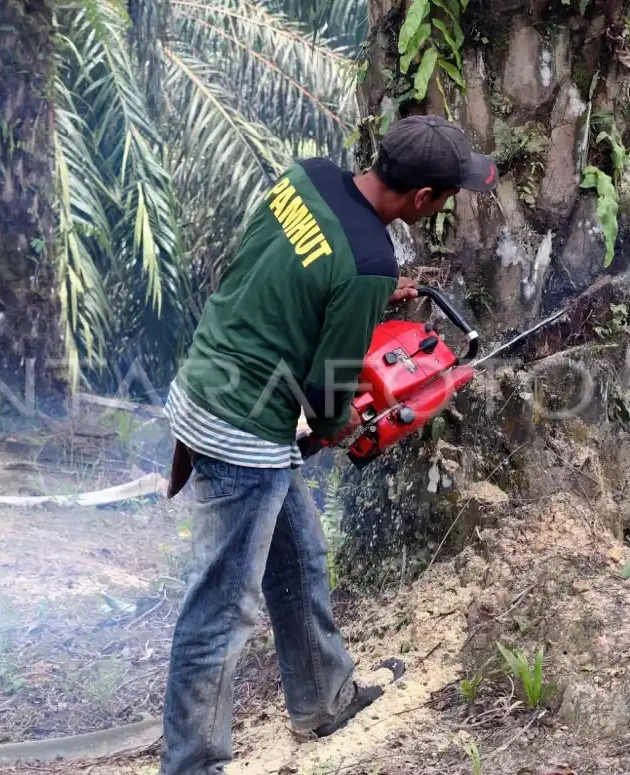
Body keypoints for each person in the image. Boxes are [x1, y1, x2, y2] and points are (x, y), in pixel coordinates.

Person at [160, 116, 498, 775]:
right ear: (425, 197)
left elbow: (292, 269)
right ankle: (193, 764)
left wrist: (368, 297)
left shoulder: (308, 176)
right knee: (222, 607)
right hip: (243, 429)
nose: (445, 206)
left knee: (300, 555)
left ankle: (322, 699)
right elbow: (327, 391)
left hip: (209, 379)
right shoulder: (368, 262)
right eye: (449, 196)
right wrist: (348, 429)